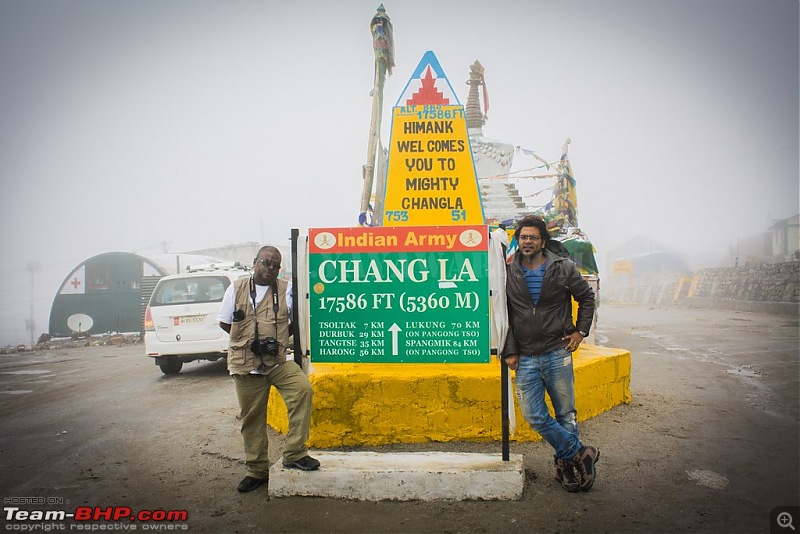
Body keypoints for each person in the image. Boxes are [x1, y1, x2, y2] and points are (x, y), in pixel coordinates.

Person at [502, 214, 599, 492]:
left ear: (543, 241)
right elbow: (505, 315)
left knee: (565, 414)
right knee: (534, 415)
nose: (527, 241)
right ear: (517, 241)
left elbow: (586, 297)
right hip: (526, 356)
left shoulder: (563, 268)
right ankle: (582, 452)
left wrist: (580, 331)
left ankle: (566, 468)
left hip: (558, 351)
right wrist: (511, 349)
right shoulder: (508, 272)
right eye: (523, 237)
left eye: (532, 237)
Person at [218, 245, 319, 493]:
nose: (270, 268)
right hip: (246, 364)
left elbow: (295, 323)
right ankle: (257, 470)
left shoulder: (286, 290)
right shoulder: (237, 288)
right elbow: (225, 322)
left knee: (302, 389)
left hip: (276, 363)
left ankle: (294, 452)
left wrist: (276, 341)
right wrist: (249, 341)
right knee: (251, 418)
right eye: (266, 262)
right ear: (255, 262)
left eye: (275, 264)